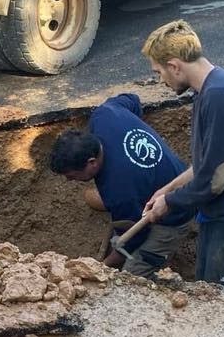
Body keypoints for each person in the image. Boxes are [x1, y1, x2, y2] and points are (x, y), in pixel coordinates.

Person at [140, 20, 224, 287]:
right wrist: (166, 190)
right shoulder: (207, 91)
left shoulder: (220, 96)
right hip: (220, 221)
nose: (161, 81)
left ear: (174, 65)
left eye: (159, 72)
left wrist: (170, 202)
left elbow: (215, 180)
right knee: (208, 299)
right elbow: (207, 162)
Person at [49, 93, 190, 278]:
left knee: (132, 276)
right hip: (175, 172)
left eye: (73, 176)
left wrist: (102, 267)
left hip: (177, 211)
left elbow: (134, 238)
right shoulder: (104, 115)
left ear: (92, 162)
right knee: (105, 200)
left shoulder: (119, 191)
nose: (70, 181)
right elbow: (132, 99)